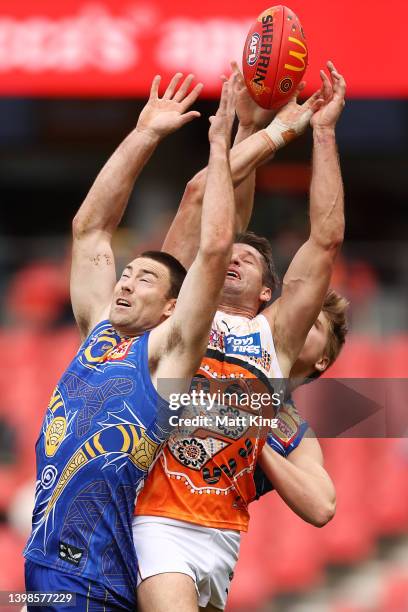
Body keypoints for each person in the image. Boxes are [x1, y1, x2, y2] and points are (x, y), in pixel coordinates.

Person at [132, 62, 347, 612]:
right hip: (159, 517)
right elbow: (209, 211)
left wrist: (321, 134)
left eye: (249, 261)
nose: (233, 260)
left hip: (226, 530)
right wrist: (245, 133)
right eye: (227, 255)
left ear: (266, 296)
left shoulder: (268, 339)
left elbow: (323, 242)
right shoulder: (176, 312)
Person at [23, 73, 238, 611]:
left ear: (172, 307)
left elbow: (213, 251)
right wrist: (144, 133)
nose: (125, 280)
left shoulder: (166, 354)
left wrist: (222, 145)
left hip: (90, 576)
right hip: (41, 569)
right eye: (127, 272)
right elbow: (90, 230)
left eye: (146, 278)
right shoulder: (96, 331)